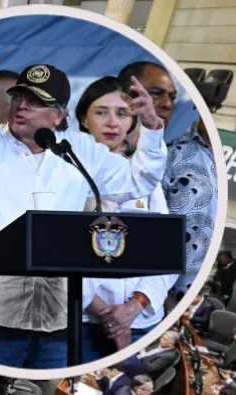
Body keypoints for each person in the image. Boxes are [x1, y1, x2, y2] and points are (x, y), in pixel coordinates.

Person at [0, 46, 167, 368]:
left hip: (60, 315)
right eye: (19, 97)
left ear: (59, 115)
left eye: (36, 101)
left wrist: (152, 129)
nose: (22, 106)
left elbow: (139, 181)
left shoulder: (80, 150)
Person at [75, 76, 175, 360]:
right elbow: (53, 250)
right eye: (101, 112)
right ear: (83, 119)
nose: (112, 123)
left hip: (141, 321)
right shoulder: (61, 173)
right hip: (82, 319)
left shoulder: (146, 181)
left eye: (122, 114)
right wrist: (103, 311)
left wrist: (134, 306)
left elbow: (167, 251)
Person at [118, 61, 217, 305]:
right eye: (156, 93)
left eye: (172, 97)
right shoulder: (168, 157)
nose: (167, 104)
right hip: (145, 299)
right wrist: (156, 297)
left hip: (181, 298)